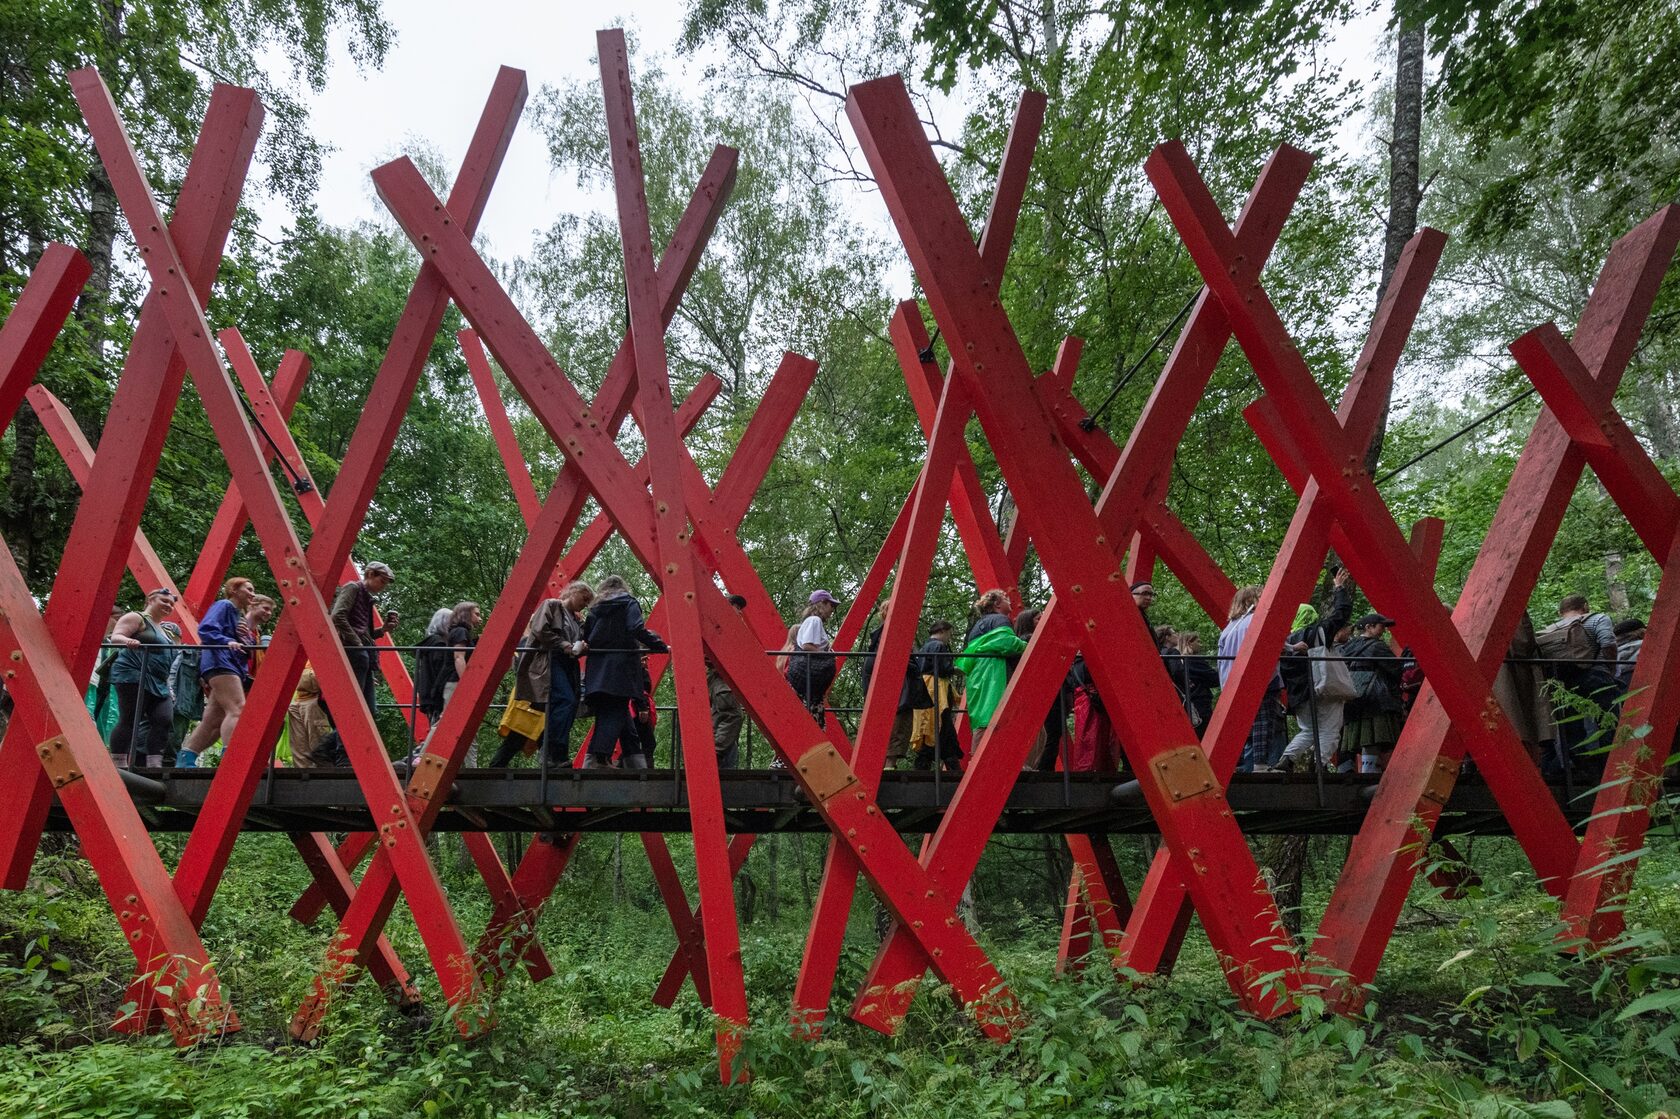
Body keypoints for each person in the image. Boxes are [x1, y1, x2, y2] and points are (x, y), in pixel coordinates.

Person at [496, 581, 595, 767]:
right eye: (584, 598)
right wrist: (565, 645)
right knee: (565, 700)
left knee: (570, 705)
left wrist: (582, 648)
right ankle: (551, 753)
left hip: (568, 665)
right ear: (573, 591)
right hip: (551, 661)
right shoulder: (552, 605)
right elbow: (540, 629)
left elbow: (576, 643)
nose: (585, 603)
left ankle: (559, 755)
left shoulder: (576, 620)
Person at [582, 575, 668, 769]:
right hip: (621, 668)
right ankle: (600, 758)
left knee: (607, 712)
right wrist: (658, 645)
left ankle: (602, 760)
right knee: (616, 711)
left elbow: (586, 636)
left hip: (597, 668)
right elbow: (636, 628)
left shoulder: (595, 608)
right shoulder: (629, 603)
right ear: (623, 587)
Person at [1276, 568, 1355, 772]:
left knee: (1308, 730)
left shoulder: (1284, 642)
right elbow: (1342, 612)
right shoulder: (1318, 632)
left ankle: (1288, 759)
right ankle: (1319, 764)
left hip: (1299, 694)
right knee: (1330, 729)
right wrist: (1339, 588)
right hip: (1323, 686)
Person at [1539, 595, 1620, 776]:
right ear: (1585, 606)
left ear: (1561, 612)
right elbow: (1608, 643)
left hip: (1564, 681)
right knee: (1608, 720)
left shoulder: (1550, 629)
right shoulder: (1597, 618)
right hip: (1597, 675)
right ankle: (1610, 767)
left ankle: (1580, 768)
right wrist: (1611, 668)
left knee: (1572, 726)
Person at [182, 577, 260, 762]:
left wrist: (244, 637)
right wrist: (227, 641)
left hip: (230, 665)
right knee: (237, 709)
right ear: (234, 590)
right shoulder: (224, 605)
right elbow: (206, 629)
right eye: (249, 589)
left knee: (213, 720)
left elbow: (244, 646)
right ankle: (231, 757)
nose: (253, 594)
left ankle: (186, 758)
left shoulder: (238, 615)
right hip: (221, 663)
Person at [107, 588, 181, 768]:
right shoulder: (137, 617)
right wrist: (128, 641)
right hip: (133, 673)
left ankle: (154, 764)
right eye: (164, 601)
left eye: (171, 604)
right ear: (151, 600)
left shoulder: (165, 630)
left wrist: (169, 686)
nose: (168, 606)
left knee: (164, 719)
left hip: (159, 681)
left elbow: (165, 661)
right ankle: (119, 763)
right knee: (130, 719)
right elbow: (115, 636)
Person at [1219, 585, 1286, 772]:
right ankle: (1260, 764)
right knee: (1264, 721)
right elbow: (1273, 645)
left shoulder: (1229, 628)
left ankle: (1230, 764)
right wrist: (1291, 648)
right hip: (1261, 677)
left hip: (1231, 680)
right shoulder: (1256, 621)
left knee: (1238, 724)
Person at [858, 597, 930, 769]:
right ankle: (889, 764)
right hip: (898, 686)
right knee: (898, 722)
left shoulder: (879, 634)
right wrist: (915, 668)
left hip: (882, 684)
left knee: (888, 723)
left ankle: (881, 764)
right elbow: (898, 658)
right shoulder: (893, 632)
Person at [330, 560, 399, 714]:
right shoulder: (353, 587)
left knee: (369, 709)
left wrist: (384, 629)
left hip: (364, 654)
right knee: (354, 705)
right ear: (370, 574)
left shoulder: (366, 597)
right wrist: (357, 643)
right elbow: (337, 616)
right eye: (382, 581)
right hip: (354, 652)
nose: (383, 587)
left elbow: (364, 632)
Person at [1341, 613, 1405, 772]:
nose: (1384, 630)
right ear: (1369, 627)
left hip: (1354, 697)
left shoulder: (1349, 647)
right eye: (1381, 626)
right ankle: (1369, 774)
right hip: (1377, 698)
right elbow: (1397, 669)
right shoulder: (1377, 647)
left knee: (1366, 738)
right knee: (1374, 738)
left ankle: (1367, 772)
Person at [1493, 611, 1552, 767]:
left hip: (1495, 687)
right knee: (1522, 732)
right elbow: (1523, 644)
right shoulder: (1509, 614)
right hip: (1514, 683)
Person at [955, 603, 1028, 732]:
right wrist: (1027, 645)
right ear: (997, 604)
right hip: (994, 672)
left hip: (976, 672)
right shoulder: (1000, 619)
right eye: (1005, 598)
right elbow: (1007, 643)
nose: (1009, 602)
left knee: (981, 721)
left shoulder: (977, 626)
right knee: (994, 717)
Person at [910, 620, 963, 771]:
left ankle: (923, 765)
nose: (949, 637)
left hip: (925, 688)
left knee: (929, 727)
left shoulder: (924, 648)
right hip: (937, 689)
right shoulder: (939, 646)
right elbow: (943, 668)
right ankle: (952, 767)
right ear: (942, 631)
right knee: (943, 724)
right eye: (949, 633)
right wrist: (955, 670)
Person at [786, 590, 841, 726]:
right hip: (809, 677)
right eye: (831, 605)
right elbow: (807, 645)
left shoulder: (810, 621)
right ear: (822, 603)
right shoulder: (815, 620)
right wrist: (828, 655)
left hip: (807, 681)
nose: (832, 609)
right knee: (814, 722)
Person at [709, 594, 748, 767]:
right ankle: (715, 755)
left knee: (720, 719)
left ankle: (717, 759)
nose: (740, 611)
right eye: (736, 607)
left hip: (722, 681)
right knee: (733, 715)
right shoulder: (718, 626)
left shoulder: (728, 628)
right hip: (721, 680)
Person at [1165, 631, 1220, 737]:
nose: (1201, 645)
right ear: (1189, 643)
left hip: (1188, 703)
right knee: (1207, 734)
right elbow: (1214, 679)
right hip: (1200, 703)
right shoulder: (1194, 660)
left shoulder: (1178, 661)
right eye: (1198, 642)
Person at [286, 668, 339, 768]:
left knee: (318, 745)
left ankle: (325, 775)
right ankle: (302, 776)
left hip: (314, 700)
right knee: (299, 748)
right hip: (298, 700)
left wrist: (299, 676)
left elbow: (315, 679)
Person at [413, 608, 453, 725]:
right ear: (445, 623)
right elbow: (441, 669)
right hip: (436, 694)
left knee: (436, 724)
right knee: (439, 726)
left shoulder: (431, 643)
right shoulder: (439, 644)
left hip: (429, 693)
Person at [240, 594, 276, 682]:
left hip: (249, 680)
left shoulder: (256, 634)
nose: (269, 613)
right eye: (266, 608)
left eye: (271, 611)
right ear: (252, 606)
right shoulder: (238, 626)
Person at [1614, 618, 1645, 690]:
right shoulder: (1647, 647)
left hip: (1615, 687)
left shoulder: (1608, 652)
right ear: (1642, 633)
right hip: (1639, 686)